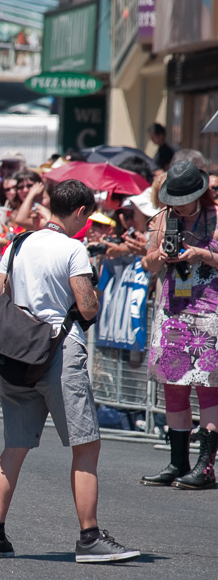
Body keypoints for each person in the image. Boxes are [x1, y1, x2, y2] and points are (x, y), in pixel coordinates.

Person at [0, 179, 140, 563]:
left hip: (16, 351)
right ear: (82, 212)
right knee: (86, 446)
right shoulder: (73, 249)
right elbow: (86, 307)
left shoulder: (17, 243)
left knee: (14, 447)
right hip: (57, 350)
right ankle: (89, 537)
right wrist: (93, 293)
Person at [140, 160, 218, 489]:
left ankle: (205, 466)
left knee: (208, 387)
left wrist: (201, 253)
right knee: (174, 386)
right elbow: (147, 263)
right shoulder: (163, 219)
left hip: (208, 312)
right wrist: (160, 256)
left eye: (184, 199)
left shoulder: (215, 217)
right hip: (173, 311)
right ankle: (178, 462)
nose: (178, 206)